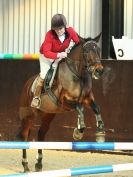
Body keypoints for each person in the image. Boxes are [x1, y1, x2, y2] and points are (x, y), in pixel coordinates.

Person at [31, 13, 80, 108]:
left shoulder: (71, 31)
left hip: (60, 55)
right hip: (46, 56)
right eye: (56, 29)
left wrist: (71, 50)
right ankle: (36, 97)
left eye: (60, 29)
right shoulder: (49, 35)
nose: (58, 31)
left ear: (65, 26)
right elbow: (46, 52)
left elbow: (78, 42)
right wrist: (59, 54)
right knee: (44, 74)